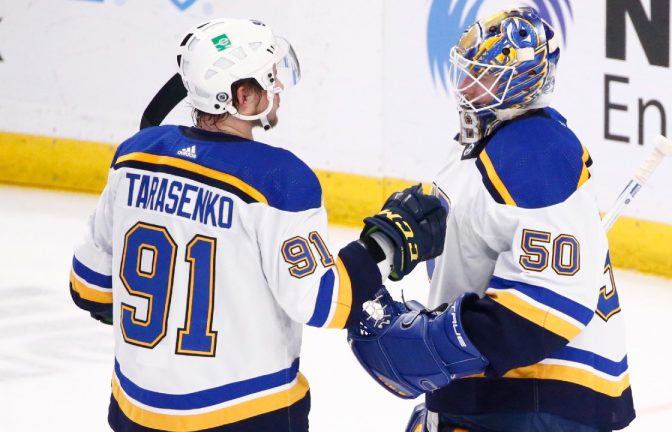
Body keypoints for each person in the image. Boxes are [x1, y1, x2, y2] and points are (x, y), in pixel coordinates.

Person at [67, 18, 446, 432]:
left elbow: (88, 287)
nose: (279, 87)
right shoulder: (278, 181)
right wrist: (384, 245)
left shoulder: (134, 156)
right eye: (270, 78)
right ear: (241, 95)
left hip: (134, 412)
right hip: (242, 415)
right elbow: (323, 301)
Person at [347, 7, 635, 431]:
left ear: (522, 83)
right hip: (503, 397)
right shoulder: (484, 138)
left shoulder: (535, 155)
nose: (465, 84)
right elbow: (475, 231)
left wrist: (435, 350)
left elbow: (546, 310)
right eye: (465, 71)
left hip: (543, 399)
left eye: (482, 75)